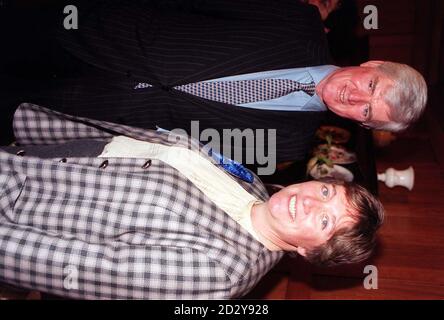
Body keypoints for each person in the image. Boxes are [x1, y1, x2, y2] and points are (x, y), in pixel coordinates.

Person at [0, 103, 384, 299]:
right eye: (327, 193)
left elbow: (76, 266)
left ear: (306, 251)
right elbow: (150, 145)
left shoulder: (219, 275)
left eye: (324, 223)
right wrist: (31, 127)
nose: (311, 203)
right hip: (36, 156)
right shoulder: (255, 188)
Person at [3, 0, 427, 165]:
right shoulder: (298, 24)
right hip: (97, 29)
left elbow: (185, 153)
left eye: (367, 110)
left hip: (98, 108)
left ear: (364, 125)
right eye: (370, 86)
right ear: (373, 63)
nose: (354, 96)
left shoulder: (287, 147)